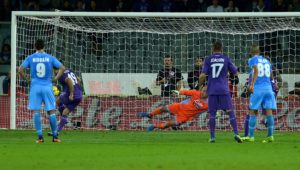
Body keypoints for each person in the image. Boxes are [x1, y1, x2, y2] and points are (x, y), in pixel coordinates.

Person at [18, 39, 65, 143]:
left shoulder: (30, 58)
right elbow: (62, 68)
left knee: (36, 111)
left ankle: (40, 137)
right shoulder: (50, 58)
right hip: (47, 86)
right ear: (44, 46)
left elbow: (20, 69)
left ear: (35, 47)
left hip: (35, 87)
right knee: (51, 111)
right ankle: (55, 136)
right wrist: (55, 78)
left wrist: (27, 79)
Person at [199, 41, 242, 143]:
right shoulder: (226, 59)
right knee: (230, 112)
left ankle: (212, 137)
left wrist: (200, 85)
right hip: (224, 89)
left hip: (212, 89)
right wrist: (227, 72)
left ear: (212, 48)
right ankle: (236, 134)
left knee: (212, 114)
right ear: (221, 49)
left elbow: (202, 75)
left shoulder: (208, 59)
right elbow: (236, 73)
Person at [242, 45, 276, 143]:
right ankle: (270, 136)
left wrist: (252, 84)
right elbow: (271, 76)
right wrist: (273, 85)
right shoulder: (267, 61)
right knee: (269, 113)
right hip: (269, 89)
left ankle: (251, 136)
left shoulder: (252, 59)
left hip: (258, 89)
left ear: (250, 52)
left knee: (252, 112)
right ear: (259, 52)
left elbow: (256, 70)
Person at [137, 88, 208, 131]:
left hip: (184, 116)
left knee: (167, 125)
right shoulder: (196, 93)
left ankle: (154, 126)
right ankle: (150, 115)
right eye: (203, 90)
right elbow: (185, 92)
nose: (203, 92)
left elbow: (211, 110)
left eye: (206, 91)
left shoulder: (208, 104)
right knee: (163, 108)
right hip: (180, 106)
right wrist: (178, 92)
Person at [48, 68, 83, 136]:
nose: (55, 72)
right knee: (65, 112)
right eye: (54, 71)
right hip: (79, 95)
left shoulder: (61, 75)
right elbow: (78, 79)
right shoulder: (69, 70)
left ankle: (64, 118)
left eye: (55, 70)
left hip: (72, 94)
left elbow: (69, 80)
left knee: (57, 101)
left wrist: (71, 93)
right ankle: (57, 131)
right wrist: (77, 87)